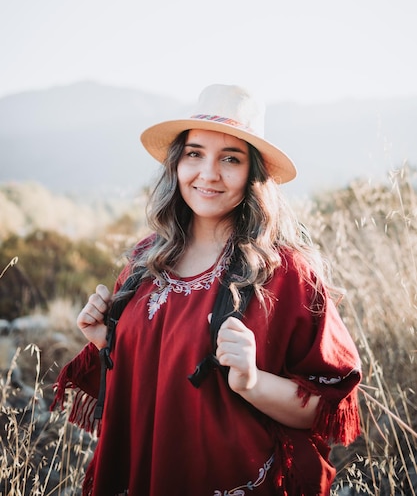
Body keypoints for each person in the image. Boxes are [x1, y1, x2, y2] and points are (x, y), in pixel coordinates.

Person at [51, 84, 361, 496]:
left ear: (254, 174)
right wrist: (111, 340)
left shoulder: (286, 273)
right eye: (195, 154)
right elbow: (147, 381)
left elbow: (325, 408)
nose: (208, 173)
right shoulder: (147, 260)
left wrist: (252, 381)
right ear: (177, 163)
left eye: (230, 158)